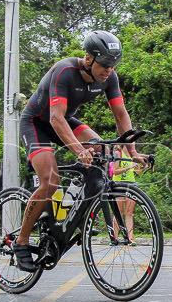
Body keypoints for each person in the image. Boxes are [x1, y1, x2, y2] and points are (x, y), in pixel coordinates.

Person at [13, 30, 147, 271]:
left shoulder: (109, 78)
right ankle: (21, 242)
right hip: (37, 123)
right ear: (88, 58)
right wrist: (77, 149)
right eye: (105, 64)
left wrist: (133, 152)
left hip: (66, 120)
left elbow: (120, 114)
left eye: (113, 64)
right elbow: (55, 118)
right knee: (50, 181)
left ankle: (76, 213)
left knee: (100, 150)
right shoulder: (64, 71)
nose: (108, 70)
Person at [110, 143, 140, 246]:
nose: (133, 143)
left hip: (131, 184)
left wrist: (143, 167)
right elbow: (115, 171)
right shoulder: (118, 153)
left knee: (129, 213)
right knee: (119, 212)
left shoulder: (132, 155)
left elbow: (137, 171)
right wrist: (129, 167)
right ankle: (114, 237)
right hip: (119, 184)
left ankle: (130, 238)